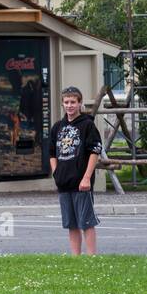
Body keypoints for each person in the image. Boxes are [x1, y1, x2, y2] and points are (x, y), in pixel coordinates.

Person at [47, 86, 102, 255]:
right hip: (64, 182)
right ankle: (75, 258)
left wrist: (86, 177)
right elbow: (51, 153)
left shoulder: (87, 125)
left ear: (79, 103)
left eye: (73, 102)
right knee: (71, 223)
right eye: (66, 102)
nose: (69, 105)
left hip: (81, 183)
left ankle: (91, 257)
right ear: (62, 104)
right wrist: (56, 173)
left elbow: (95, 152)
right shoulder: (57, 127)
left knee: (86, 222)